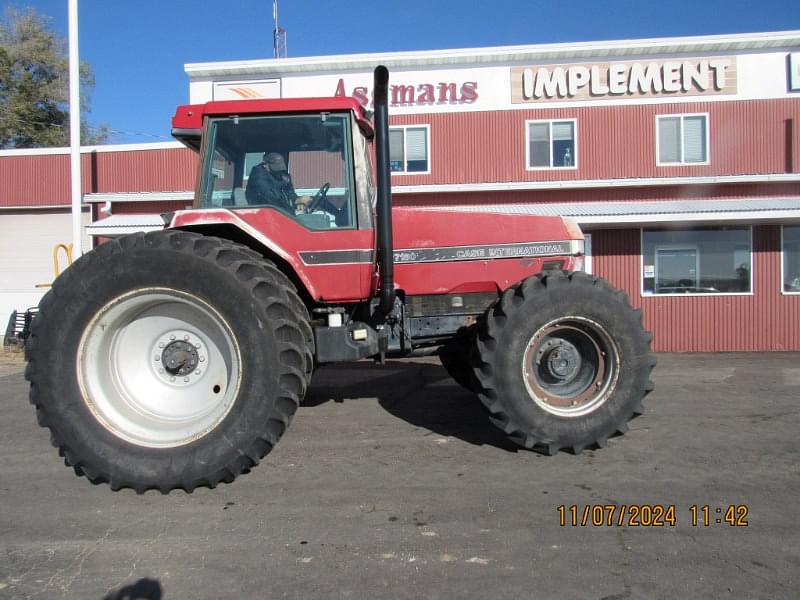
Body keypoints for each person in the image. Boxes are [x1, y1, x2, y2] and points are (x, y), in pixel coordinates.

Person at [245, 152, 310, 211]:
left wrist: (297, 200)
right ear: (265, 165)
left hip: (279, 213)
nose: (279, 173)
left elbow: (289, 191)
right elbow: (270, 197)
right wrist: (297, 201)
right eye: (276, 170)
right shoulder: (258, 176)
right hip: (261, 213)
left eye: (280, 170)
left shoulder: (283, 176)